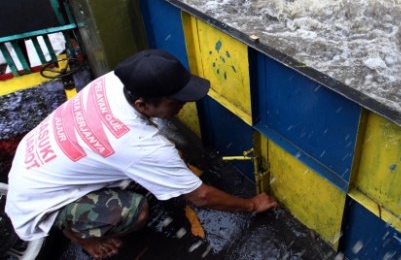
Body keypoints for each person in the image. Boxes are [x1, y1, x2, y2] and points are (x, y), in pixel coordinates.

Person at [6, 49, 278, 259]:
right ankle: (79, 234)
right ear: (142, 104)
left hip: (34, 159)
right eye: (177, 101)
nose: (183, 104)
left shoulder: (114, 81)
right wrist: (251, 205)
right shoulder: (139, 145)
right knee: (137, 212)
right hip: (41, 201)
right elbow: (201, 196)